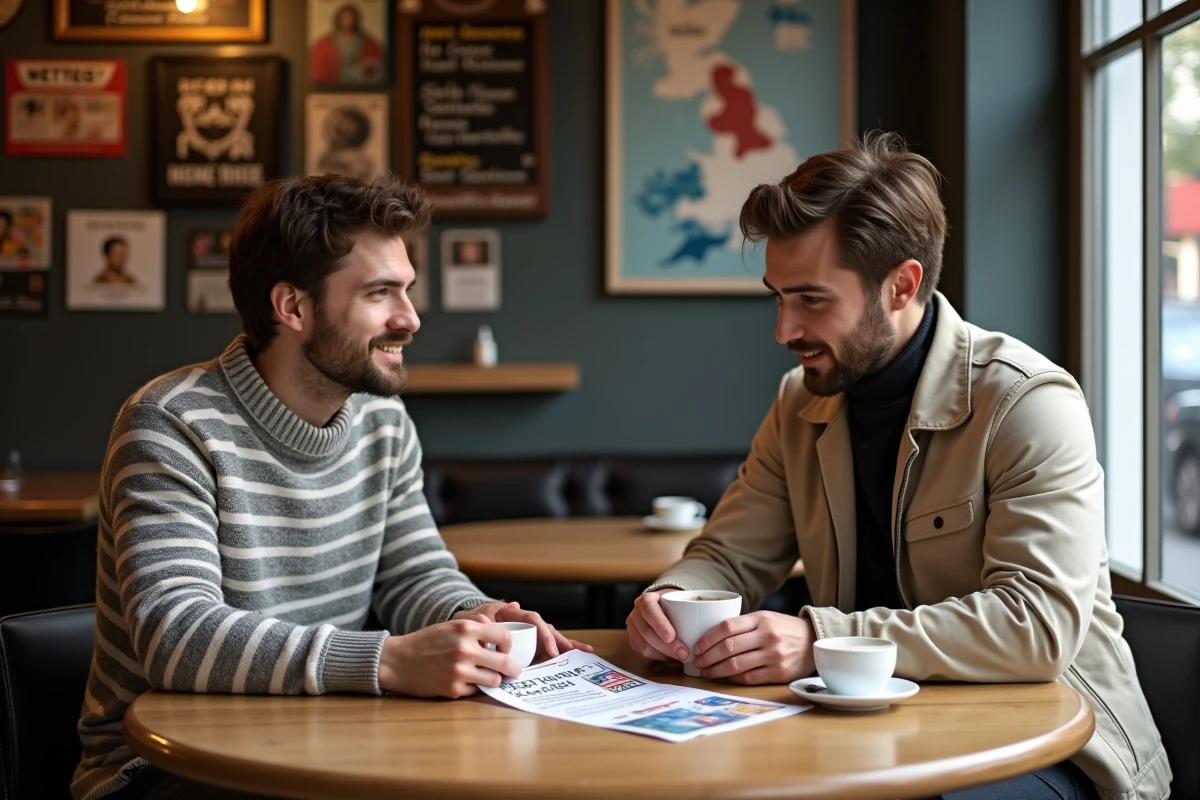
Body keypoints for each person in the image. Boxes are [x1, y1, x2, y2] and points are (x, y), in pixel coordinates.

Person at [626, 133, 1170, 800]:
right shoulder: (798, 403)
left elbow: (1036, 627)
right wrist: (673, 600)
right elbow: (728, 557)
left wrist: (820, 640)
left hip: (1056, 747)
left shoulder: (1027, 402)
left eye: (812, 300)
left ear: (901, 286)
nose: (783, 330)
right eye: (778, 297)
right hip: (877, 736)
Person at [72, 175, 591, 800]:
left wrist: (473, 618)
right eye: (380, 293)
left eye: (407, 290)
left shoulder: (383, 423)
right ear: (292, 307)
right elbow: (176, 635)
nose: (410, 318)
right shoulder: (171, 422)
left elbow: (413, 575)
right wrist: (387, 660)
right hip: (164, 767)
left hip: (325, 741)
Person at [309, 2, 384, 85]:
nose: (348, 21)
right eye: (345, 18)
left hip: (359, 83)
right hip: (334, 84)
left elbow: (375, 67)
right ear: (338, 19)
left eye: (351, 18)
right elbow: (318, 71)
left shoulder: (370, 43)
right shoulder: (324, 43)